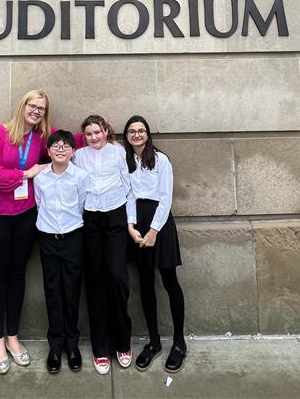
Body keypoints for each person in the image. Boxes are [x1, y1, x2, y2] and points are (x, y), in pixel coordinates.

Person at [0, 89, 51, 374]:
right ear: (23, 106)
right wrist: (26, 174)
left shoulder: (42, 136)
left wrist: (101, 131)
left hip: (25, 215)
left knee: (18, 274)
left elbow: (72, 141)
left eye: (42, 108)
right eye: (32, 106)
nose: (36, 111)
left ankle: (13, 336)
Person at [123, 115, 187, 373]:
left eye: (141, 131)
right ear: (126, 136)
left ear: (148, 134)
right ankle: (154, 341)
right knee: (145, 283)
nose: (136, 134)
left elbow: (165, 197)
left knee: (170, 282)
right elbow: (127, 194)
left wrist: (153, 231)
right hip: (136, 223)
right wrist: (130, 226)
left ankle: (180, 342)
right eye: (131, 131)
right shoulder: (125, 161)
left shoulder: (161, 160)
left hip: (159, 224)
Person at [73, 114, 134, 375]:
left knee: (117, 277)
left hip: (116, 216)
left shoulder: (119, 152)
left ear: (106, 131)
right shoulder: (78, 155)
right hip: (90, 219)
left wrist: (130, 222)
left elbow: (129, 186)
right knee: (95, 279)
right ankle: (101, 347)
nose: (94, 137)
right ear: (84, 136)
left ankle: (123, 342)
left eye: (97, 132)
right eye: (89, 134)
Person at [34, 130, 88, 374]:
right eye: (56, 145)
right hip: (47, 239)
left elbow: (81, 205)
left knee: (72, 291)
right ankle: (55, 346)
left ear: (73, 151)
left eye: (66, 146)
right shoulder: (41, 178)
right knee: (53, 291)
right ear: (48, 151)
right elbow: (38, 203)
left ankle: (72, 345)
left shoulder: (80, 177)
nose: (60, 149)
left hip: (73, 238)